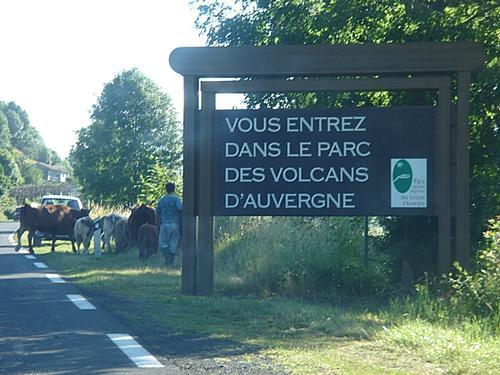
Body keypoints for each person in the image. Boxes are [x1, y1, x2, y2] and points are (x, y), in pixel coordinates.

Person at [156, 182, 182, 265]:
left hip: (164, 224)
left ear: (166, 189)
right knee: (173, 243)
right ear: (174, 189)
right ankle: (171, 260)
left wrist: (157, 223)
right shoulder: (177, 199)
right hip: (175, 224)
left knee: (162, 243)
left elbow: (157, 212)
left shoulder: (162, 200)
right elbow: (180, 209)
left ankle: (167, 257)